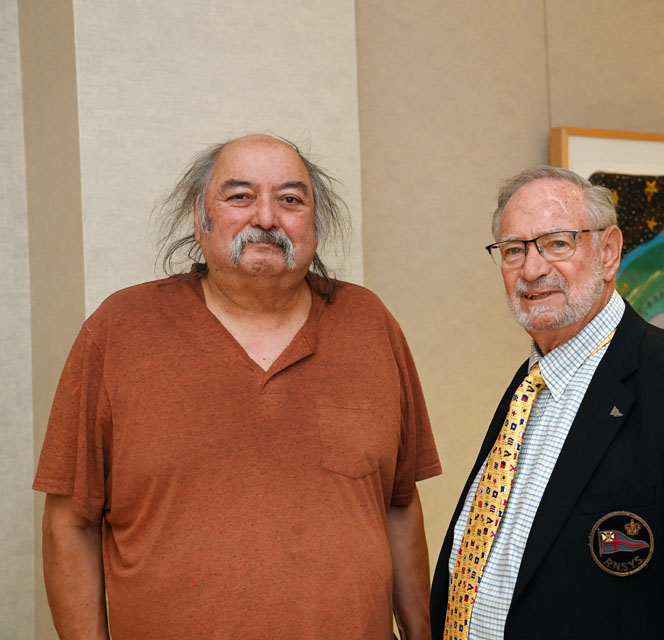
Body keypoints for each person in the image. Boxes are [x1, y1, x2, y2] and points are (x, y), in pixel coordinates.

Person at [34, 134, 441, 639]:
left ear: (315, 223)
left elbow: (399, 504)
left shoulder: (369, 323)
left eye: (291, 200)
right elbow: (70, 523)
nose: (267, 218)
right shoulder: (120, 330)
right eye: (240, 196)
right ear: (200, 217)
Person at [430, 166, 664, 639]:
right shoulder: (530, 385)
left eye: (558, 243)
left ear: (609, 252)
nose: (532, 270)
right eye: (514, 250)